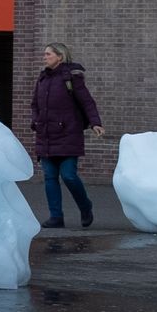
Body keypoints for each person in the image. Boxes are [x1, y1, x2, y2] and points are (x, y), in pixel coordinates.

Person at [31, 42, 104, 228]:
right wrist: (36, 121)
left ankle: (85, 206)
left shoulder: (71, 78)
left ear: (60, 57)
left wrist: (95, 123)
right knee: (49, 177)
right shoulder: (43, 79)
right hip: (45, 135)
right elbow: (35, 105)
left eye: (48, 54)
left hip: (68, 134)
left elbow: (87, 102)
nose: (44, 57)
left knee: (69, 175)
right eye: (45, 54)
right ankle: (56, 217)